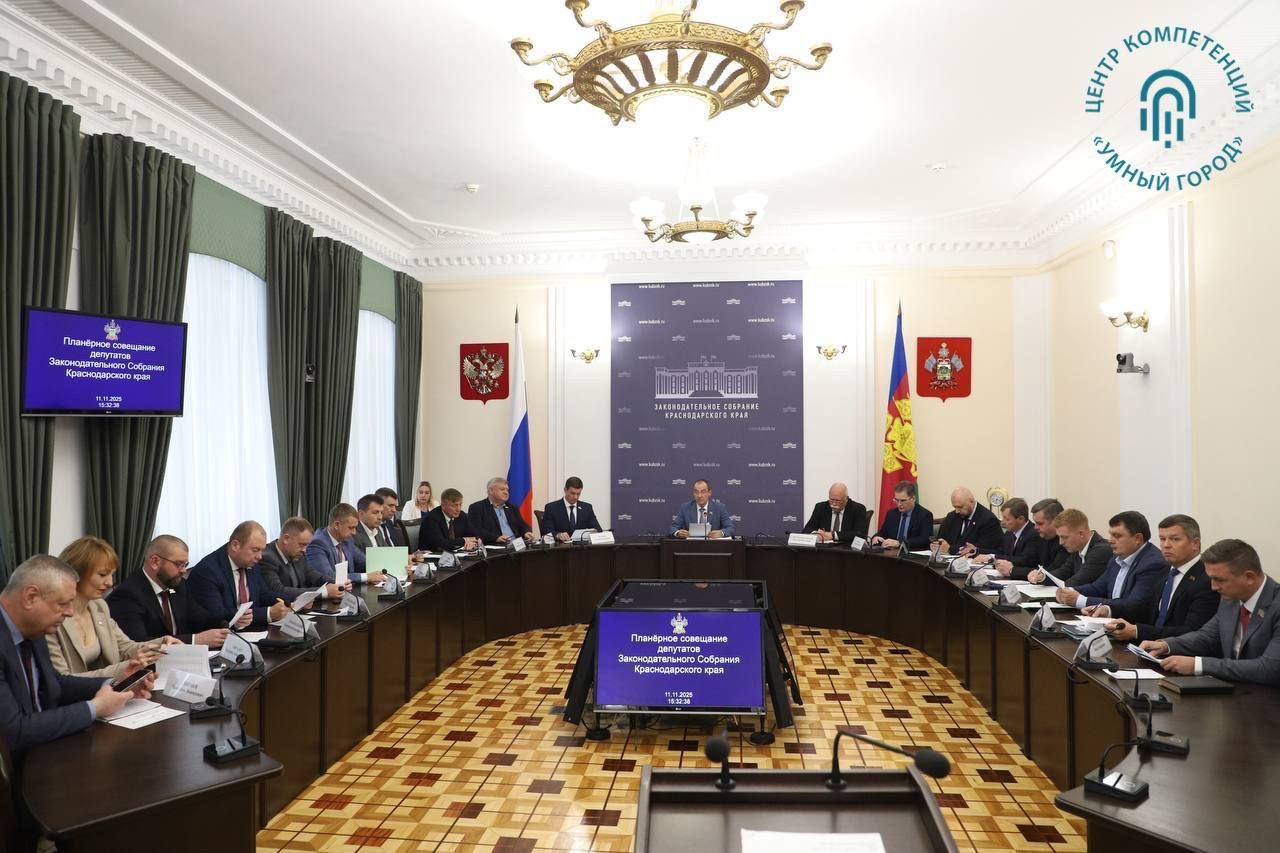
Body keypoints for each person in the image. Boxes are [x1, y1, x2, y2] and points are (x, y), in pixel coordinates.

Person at [0, 555, 154, 754]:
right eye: (63, 603)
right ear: (30, 597)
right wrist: (95, 708)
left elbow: (55, 684)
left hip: (45, 747)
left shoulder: (34, 627)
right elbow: (14, 731)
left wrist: (116, 685)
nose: (70, 613)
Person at [1140, 538, 1280, 686]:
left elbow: (1270, 668)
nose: (1213, 587)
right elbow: (1207, 636)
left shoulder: (1275, 605)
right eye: (1211, 579)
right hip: (1235, 689)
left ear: (1249, 577)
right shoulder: (1230, 598)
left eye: (1219, 580)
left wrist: (1199, 665)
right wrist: (1167, 645)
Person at [47, 537, 172, 679]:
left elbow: (125, 648)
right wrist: (126, 668)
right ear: (76, 572)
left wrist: (163, 644)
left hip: (107, 689)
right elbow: (63, 680)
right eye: (102, 574)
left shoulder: (99, 606)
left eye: (111, 574)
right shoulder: (52, 617)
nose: (110, 582)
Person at [1105, 514, 1219, 642]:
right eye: (1162, 539)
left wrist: (1136, 631)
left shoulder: (1207, 579)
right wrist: (1108, 610)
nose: (1166, 545)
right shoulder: (1165, 571)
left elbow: (1192, 631)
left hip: (1178, 651)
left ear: (1195, 544)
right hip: (1148, 646)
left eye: (1175, 539)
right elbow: (1144, 609)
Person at [108, 535, 230, 648]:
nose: (183, 571)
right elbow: (138, 642)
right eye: (179, 564)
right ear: (155, 562)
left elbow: (200, 618)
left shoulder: (178, 585)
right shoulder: (127, 595)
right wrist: (194, 640)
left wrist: (225, 623)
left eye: (185, 564)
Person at [1054, 510, 1168, 620]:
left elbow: (1134, 606)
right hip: (1110, 622)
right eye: (1111, 535)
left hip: (1133, 628)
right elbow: (1098, 588)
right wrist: (1069, 591)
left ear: (1138, 538)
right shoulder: (1116, 559)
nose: (1110, 541)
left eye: (1117, 536)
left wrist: (1080, 600)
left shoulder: (1152, 564)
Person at [187, 521, 293, 628]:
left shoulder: (250, 563)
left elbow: (263, 594)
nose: (260, 556)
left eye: (261, 550)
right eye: (255, 550)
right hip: (224, 634)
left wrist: (289, 602)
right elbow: (216, 615)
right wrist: (268, 613)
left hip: (252, 631)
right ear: (235, 545)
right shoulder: (208, 571)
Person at [260, 517, 347, 602]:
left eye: (307, 545)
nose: (304, 550)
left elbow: (316, 578)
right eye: (302, 544)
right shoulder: (267, 557)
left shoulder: (298, 554)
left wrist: (338, 583)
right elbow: (278, 591)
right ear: (286, 539)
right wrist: (324, 592)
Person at [306, 503, 385, 584]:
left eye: (355, 528)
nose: (354, 533)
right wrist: (366, 577)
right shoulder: (317, 544)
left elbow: (365, 562)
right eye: (351, 528)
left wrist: (383, 571)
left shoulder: (347, 540)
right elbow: (329, 576)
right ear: (337, 525)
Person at [1028, 508, 1108, 587]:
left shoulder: (1101, 551)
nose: (1061, 542)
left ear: (1081, 534)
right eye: (1059, 537)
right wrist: (1042, 577)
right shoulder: (1077, 548)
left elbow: (1077, 582)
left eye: (1064, 537)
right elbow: (1063, 572)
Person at [972, 498, 1034, 575]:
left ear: (1021, 519)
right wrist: (977, 551)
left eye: (1007, 519)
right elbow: (1000, 552)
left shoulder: (1033, 534)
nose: (1003, 522)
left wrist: (993, 557)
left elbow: (1023, 560)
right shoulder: (1009, 533)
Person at [469, 477, 537, 545]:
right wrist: (496, 538)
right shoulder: (477, 508)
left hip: (516, 545)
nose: (506, 492)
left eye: (507, 490)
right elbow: (476, 530)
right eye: (502, 489)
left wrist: (526, 532)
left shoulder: (512, 507)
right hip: (495, 545)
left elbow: (522, 524)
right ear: (491, 491)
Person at [936, 488, 1003, 555]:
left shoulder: (988, 520)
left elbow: (981, 549)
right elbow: (940, 541)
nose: (957, 511)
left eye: (960, 507)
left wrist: (950, 549)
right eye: (955, 507)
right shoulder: (952, 517)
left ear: (971, 501)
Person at [871, 482, 933, 551]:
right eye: (896, 500)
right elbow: (883, 532)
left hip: (911, 554)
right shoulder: (891, 514)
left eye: (903, 501)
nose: (899, 504)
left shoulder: (924, 515)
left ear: (913, 498)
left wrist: (899, 543)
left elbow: (924, 540)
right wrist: (877, 537)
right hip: (891, 553)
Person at [802, 482, 869, 542]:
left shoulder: (858, 509)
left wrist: (833, 535)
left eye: (838, 500)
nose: (834, 504)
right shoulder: (821, 507)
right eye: (831, 500)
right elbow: (807, 529)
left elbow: (860, 534)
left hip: (846, 548)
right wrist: (817, 534)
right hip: (824, 548)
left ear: (846, 499)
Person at [541, 477, 602, 542]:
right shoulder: (551, 508)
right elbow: (546, 532)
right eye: (572, 493)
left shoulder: (587, 508)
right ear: (565, 490)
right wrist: (558, 535)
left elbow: (598, 529)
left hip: (581, 547)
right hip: (560, 546)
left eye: (578, 494)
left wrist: (593, 532)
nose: (575, 497)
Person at [670, 479, 735, 539]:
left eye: (703, 492)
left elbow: (730, 528)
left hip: (713, 545)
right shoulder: (685, 508)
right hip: (691, 545)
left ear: (709, 493)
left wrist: (721, 533)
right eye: (696, 492)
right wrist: (678, 533)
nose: (699, 495)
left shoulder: (719, 508)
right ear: (693, 493)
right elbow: (673, 528)